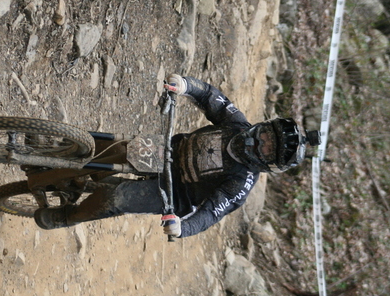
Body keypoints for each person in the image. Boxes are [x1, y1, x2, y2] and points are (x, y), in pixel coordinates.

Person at [33, 74, 320, 238]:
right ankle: (53, 151)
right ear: (265, 125)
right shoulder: (237, 123)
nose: (261, 142)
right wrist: (185, 86)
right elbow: (211, 96)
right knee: (109, 147)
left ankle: (68, 215)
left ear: (269, 164)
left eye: (269, 148)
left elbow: (210, 214)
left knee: (115, 199)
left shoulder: (241, 183)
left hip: (172, 192)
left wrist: (183, 227)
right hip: (168, 150)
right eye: (268, 135)